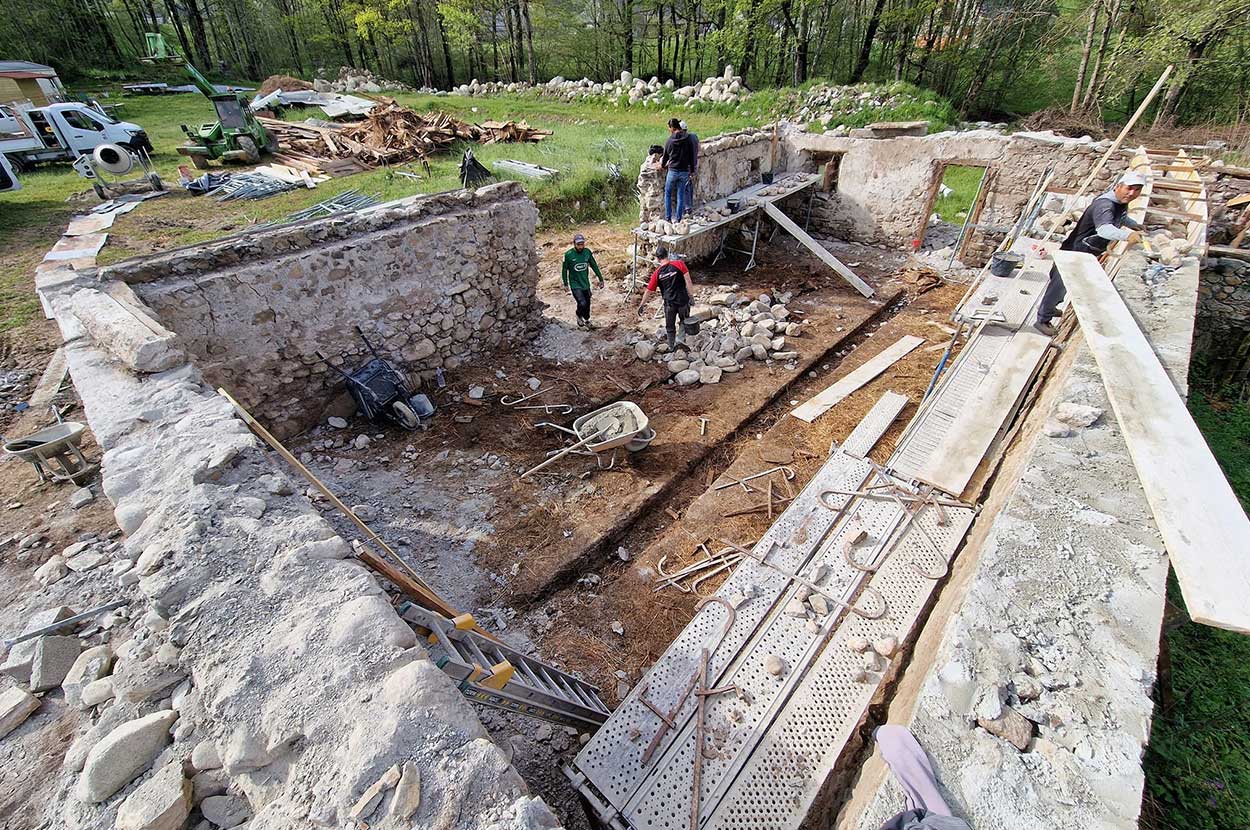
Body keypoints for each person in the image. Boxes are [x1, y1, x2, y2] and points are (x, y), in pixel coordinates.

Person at [1034, 170, 1146, 336]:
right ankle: (1042, 320)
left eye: (1137, 190)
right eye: (1129, 188)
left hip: (1087, 252)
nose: (1132, 193)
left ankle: (1050, 307)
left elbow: (1119, 218)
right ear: (1118, 186)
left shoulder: (1119, 202)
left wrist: (1133, 225)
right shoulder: (1105, 205)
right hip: (1074, 251)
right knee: (1059, 285)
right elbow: (1104, 229)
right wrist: (1127, 235)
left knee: (1066, 285)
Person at [637, 246, 698, 350]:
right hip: (683, 300)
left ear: (657, 258)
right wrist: (691, 296)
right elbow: (688, 281)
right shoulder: (679, 264)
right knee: (684, 320)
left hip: (669, 304)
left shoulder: (657, 273)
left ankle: (671, 347)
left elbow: (648, 291)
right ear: (667, 255)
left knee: (670, 327)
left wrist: (642, 305)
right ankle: (680, 340)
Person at [561, 233, 605, 329]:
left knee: (588, 303)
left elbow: (594, 265)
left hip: (585, 283)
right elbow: (564, 270)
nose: (580, 246)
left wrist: (600, 278)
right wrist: (565, 283)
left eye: (582, 244)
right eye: (578, 244)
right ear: (574, 244)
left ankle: (586, 319)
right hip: (575, 283)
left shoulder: (587, 252)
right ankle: (578, 315)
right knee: (582, 302)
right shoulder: (568, 255)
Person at [660, 118, 696, 222]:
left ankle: (668, 219)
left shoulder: (669, 141)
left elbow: (665, 156)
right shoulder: (688, 139)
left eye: (669, 128)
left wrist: (662, 166)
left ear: (672, 127)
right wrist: (692, 170)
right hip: (684, 171)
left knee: (667, 194)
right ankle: (679, 219)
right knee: (680, 195)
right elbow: (691, 156)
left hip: (672, 171)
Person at [681, 119, 700, 211]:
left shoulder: (684, 139)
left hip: (686, 166)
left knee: (685, 186)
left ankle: (687, 207)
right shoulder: (694, 136)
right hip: (694, 164)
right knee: (689, 184)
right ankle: (690, 205)